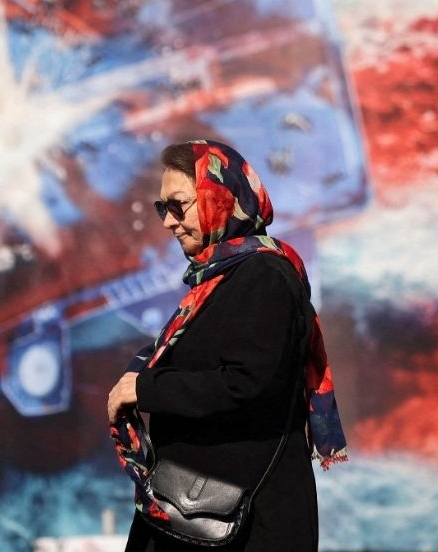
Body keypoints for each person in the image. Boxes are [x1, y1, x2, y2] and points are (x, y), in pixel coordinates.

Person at [108, 139, 348, 551]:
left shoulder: (265, 276)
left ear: (218, 197)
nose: (168, 221)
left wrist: (144, 389)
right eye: (161, 208)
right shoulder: (218, 279)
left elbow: (248, 383)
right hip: (201, 514)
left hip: (246, 524)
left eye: (178, 205)